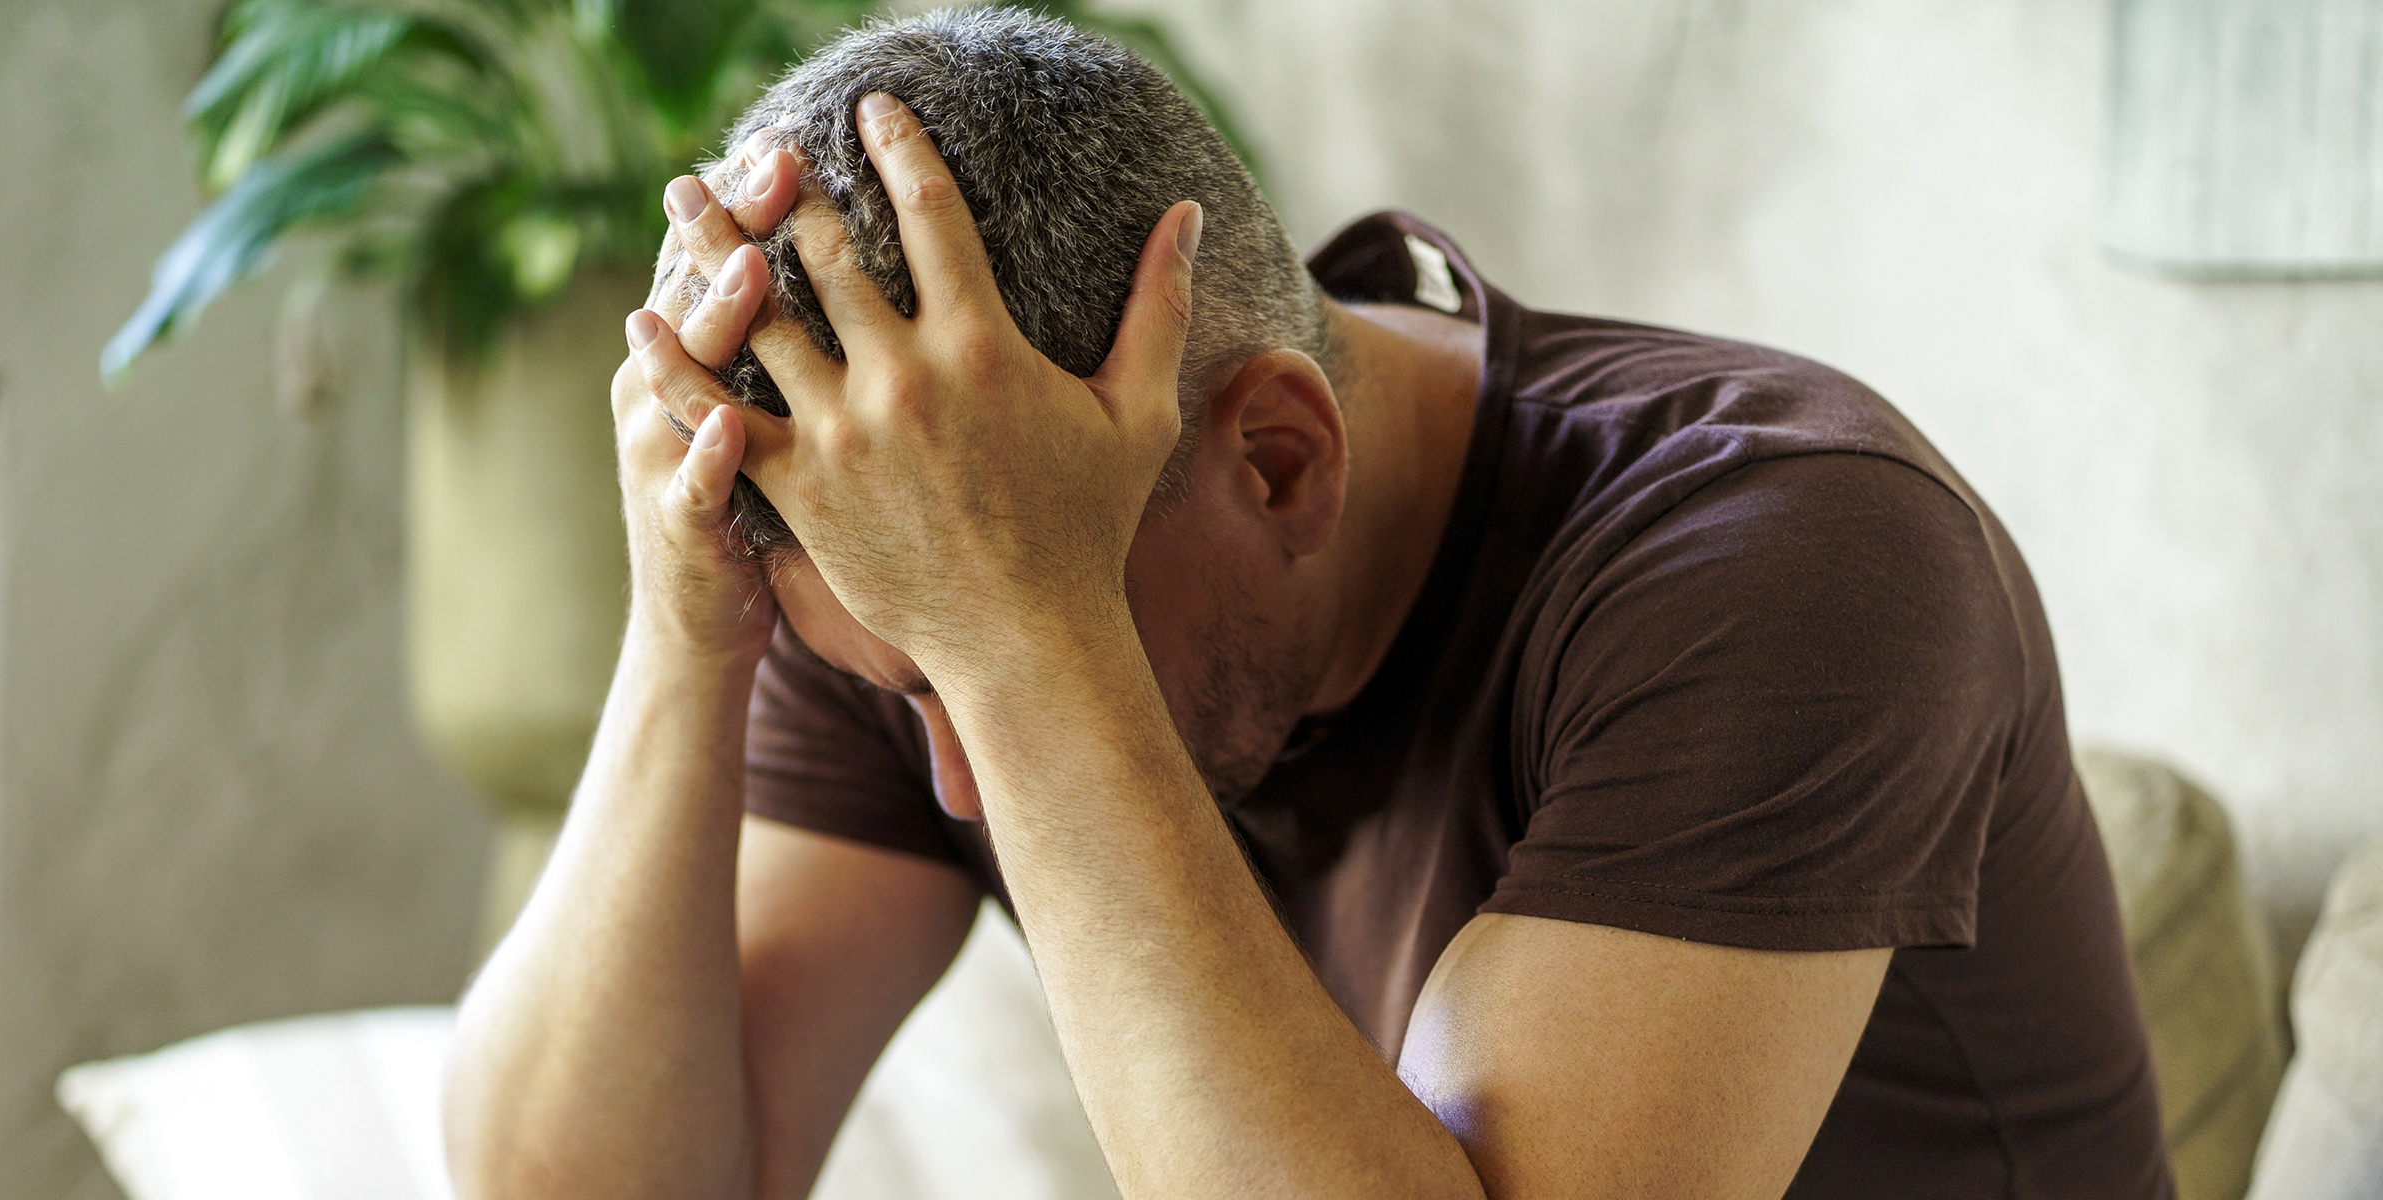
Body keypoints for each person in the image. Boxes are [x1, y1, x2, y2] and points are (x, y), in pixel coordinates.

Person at [442, 9, 2175, 1199]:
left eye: (980, 670)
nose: (957, 781)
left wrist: (1021, 644)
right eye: (915, 692)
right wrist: (688, 632)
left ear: (1276, 460)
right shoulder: (916, 579)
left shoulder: (1790, 556)